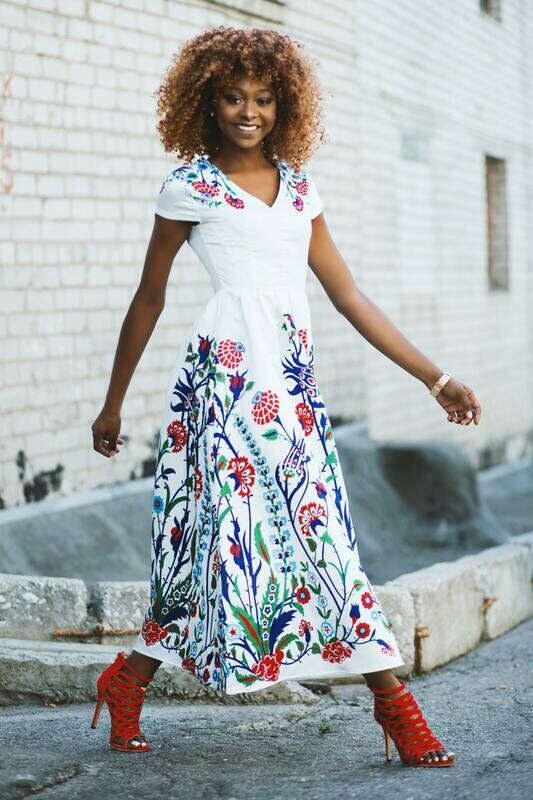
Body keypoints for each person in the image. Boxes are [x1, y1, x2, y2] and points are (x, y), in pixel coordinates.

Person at [90, 25, 481, 764]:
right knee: (227, 544)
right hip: (224, 385)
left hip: (291, 389)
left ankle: (126, 679)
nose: (248, 110)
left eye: (263, 98)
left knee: (303, 540)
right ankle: (397, 709)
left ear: (283, 105)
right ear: (206, 101)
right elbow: (148, 297)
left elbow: (348, 296)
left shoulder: (300, 190)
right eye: (233, 96)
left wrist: (433, 377)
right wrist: (112, 404)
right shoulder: (189, 186)